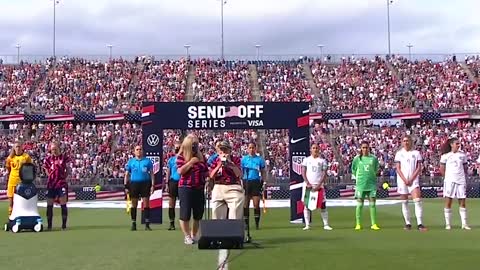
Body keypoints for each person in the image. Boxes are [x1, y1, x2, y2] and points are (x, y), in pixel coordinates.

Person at [176, 134, 208, 245]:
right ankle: (187, 235)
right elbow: (180, 171)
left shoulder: (202, 157)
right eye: (193, 144)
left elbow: (206, 171)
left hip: (199, 188)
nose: (195, 147)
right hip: (186, 188)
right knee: (185, 214)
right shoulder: (181, 157)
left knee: (198, 214)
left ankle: (194, 235)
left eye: (196, 144)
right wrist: (191, 162)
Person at [394, 135, 427, 231]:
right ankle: (407, 223)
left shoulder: (416, 153)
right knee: (404, 202)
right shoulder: (399, 154)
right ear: (402, 142)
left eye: (407, 140)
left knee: (417, 200)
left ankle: (420, 223)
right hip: (402, 180)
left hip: (414, 180)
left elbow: (419, 167)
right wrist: (405, 179)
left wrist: (412, 178)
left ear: (411, 142)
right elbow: (398, 168)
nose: (406, 142)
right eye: (404, 141)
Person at [440, 138, 470, 230]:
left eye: (459, 143)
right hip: (450, 181)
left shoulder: (462, 155)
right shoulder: (445, 156)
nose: (458, 145)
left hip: (461, 180)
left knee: (462, 202)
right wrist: (447, 178)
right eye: (456, 143)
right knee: (449, 202)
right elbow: (442, 169)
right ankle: (448, 224)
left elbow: (465, 168)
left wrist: (462, 176)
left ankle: (464, 224)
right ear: (451, 144)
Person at [209, 141, 244, 220]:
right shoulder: (216, 160)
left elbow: (239, 175)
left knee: (235, 211)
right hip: (219, 186)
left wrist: (230, 164)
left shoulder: (235, 159)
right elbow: (211, 175)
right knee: (216, 212)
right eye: (222, 150)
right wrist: (219, 165)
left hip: (233, 186)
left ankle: (234, 229)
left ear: (230, 151)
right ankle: (218, 231)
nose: (223, 152)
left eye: (225, 150)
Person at [301, 143, 332, 231]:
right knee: (306, 205)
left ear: (319, 150)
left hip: (319, 186)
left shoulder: (322, 161)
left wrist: (319, 184)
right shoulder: (306, 160)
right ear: (311, 150)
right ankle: (307, 225)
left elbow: (324, 174)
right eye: (313, 148)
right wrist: (307, 182)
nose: (315, 149)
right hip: (308, 186)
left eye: (316, 148)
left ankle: (326, 224)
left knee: (323, 205)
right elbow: (303, 171)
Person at [124, 145, 155, 231]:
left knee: (146, 204)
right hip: (134, 184)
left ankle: (147, 224)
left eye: (140, 149)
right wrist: (126, 186)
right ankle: (133, 223)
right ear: (134, 151)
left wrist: (153, 185)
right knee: (134, 204)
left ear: (142, 151)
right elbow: (126, 175)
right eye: (137, 149)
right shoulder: (131, 162)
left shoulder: (147, 161)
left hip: (145, 184)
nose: (139, 151)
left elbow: (152, 174)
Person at [351, 141, 380, 231]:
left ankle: (374, 224)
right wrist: (359, 178)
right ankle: (358, 224)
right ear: (361, 148)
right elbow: (354, 170)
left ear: (369, 148)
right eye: (363, 147)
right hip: (361, 185)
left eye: (366, 147)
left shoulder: (374, 158)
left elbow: (376, 170)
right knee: (359, 204)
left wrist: (371, 176)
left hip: (371, 184)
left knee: (372, 204)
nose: (365, 149)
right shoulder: (357, 159)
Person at [43, 141, 72, 230]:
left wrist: (63, 177)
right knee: (49, 204)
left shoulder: (64, 158)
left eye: (55, 149)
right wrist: (50, 176)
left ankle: (64, 225)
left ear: (59, 148)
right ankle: (49, 226)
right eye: (52, 150)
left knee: (63, 203)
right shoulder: (48, 159)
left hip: (61, 183)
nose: (53, 151)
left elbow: (68, 169)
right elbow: (45, 169)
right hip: (51, 184)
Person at [241, 142, 266, 229]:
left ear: (255, 148)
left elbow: (263, 171)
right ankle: (246, 224)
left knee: (256, 204)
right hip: (246, 182)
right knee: (245, 204)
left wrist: (264, 181)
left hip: (256, 182)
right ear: (247, 149)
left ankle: (256, 224)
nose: (251, 149)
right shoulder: (244, 159)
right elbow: (241, 172)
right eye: (250, 148)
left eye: (253, 148)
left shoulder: (260, 159)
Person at [5, 141, 32, 217]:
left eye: (19, 146)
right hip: (12, 182)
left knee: (22, 202)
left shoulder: (26, 157)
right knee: (11, 203)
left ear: (22, 147)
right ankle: (11, 218)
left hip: (22, 183)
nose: (18, 148)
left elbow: (30, 168)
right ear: (13, 148)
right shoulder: (10, 158)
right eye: (16, 147)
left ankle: (22, 219)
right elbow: (8, 168)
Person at [165, 142, 181, 231]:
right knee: (171, 203)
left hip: (183, 182)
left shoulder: (185, 159)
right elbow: (168, 172)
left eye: (178, 148)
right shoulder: (171, 160)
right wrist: (167, 184)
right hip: (173, 182)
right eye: (176, 148)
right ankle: (172, 223)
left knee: (184, 204)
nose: (177, 149)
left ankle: (183, 222)